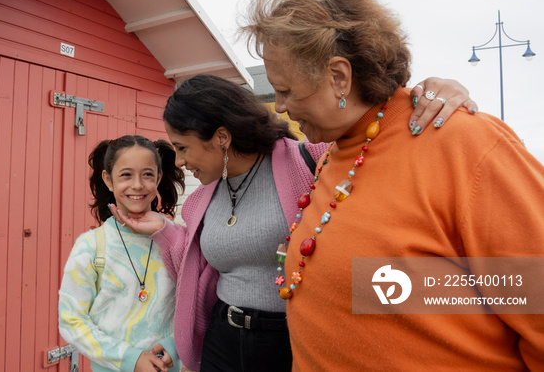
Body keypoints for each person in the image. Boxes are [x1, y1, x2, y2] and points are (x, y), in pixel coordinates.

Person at [239, 0, 544, 370]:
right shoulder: (336, 150)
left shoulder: (465, 145)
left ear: (338, 77)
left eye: (286, 91)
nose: (278, 106)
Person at [114, 71, 477, 371]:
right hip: (221, 341)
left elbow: (384, 138)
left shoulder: (312, 163)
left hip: (293, 342)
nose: (179, 162)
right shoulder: (199, 202)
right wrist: (161, 230)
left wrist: (440, 89)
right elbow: (198, 268)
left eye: (182, 147)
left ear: (222, 137)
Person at [59, 135, 185, 372]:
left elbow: (196, 303)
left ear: (158, 177)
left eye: (147, 174)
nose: (137, 185)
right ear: (108, 180)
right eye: (126, 175)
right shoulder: (91, 246)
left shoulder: (177, 239)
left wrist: (175, 345)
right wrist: (131, 359)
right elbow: (71, 320)